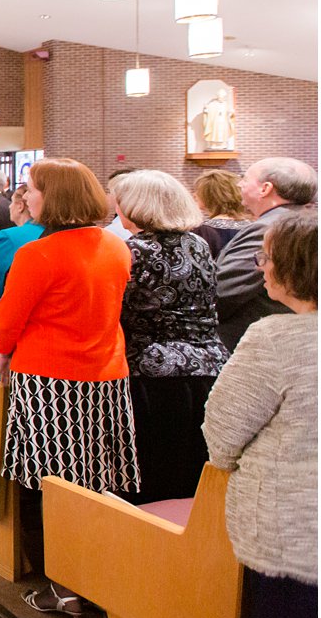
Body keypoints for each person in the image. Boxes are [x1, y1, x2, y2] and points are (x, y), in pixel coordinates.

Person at [0, 158, 138, 618]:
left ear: (52, 197)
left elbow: (7, 328)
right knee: (95, 484)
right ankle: (97, 578)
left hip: (48, 383)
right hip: (105, 377)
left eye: (31, 189)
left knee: (43, 484)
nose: (26, 197)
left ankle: (61, 586)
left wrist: (2, 352)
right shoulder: (116, 248)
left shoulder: (38, 254)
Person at [203, 210, 317, 618]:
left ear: (295, 268)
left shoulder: (276, 338)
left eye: (266, 258)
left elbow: (223, 433)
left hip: (296, 532)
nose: (260, 267)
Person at [112, 170, 229, 503]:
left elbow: (117, 310)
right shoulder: (198, 244)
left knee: (156, 478)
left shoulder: (131, 250)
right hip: (209, 365)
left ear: (136, 206)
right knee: (194, 475)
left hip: (154, 371)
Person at [215, 157, 317, 349]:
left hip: (259, 341)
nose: (239, 183)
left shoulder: (270, 228)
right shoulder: (299, 219)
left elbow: (224, 289)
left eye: (245, 178)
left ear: (265, 188)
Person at [0, 185, 44, 369]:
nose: (9, 207)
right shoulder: (52, 232)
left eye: (11, 203)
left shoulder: (10, 237)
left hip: (6, 313)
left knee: (4, 377)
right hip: (40, 320)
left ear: (20, 206)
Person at [191, 168, 250, 259]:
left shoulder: (202, 232)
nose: (194, 195)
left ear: (211, 196)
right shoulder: (254, 227)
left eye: (198, 191)